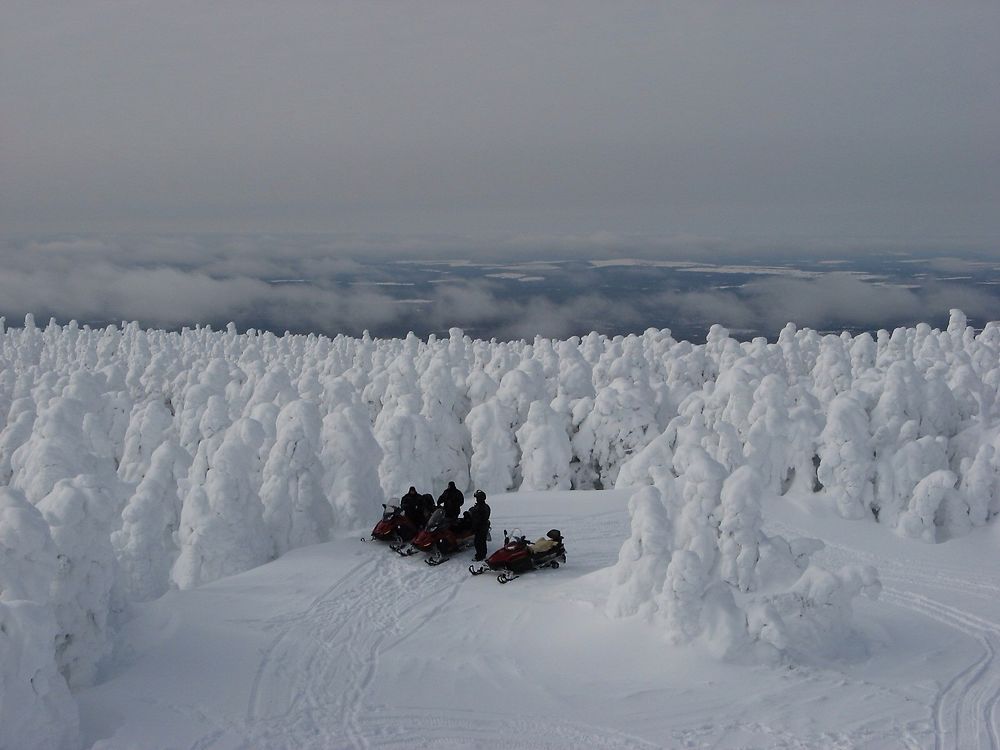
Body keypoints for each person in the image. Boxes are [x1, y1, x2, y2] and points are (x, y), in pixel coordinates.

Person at [463, 489, 491, 561]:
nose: (476, 499)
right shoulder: (484, 506)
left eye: (477, 498)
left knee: (479, 542)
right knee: (481, 542)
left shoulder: (481, 508)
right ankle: (482, 554)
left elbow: (477, 519)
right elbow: (474, 511)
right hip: (483, 527)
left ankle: (480, 556)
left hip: (480, 528)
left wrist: (473, 527)